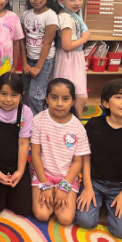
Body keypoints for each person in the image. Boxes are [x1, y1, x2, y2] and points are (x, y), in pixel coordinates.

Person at [75, 79, 122, 239]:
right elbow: (85, 157)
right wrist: (87, 187)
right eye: (119, 97)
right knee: (85, 221)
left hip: (121, 186)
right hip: (93, 182)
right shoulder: (93, 124)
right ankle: (100, 202)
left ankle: (106, 203)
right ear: (105, 103)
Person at [30, 78, 89, 226]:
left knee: (66, 219)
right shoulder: (38, 120)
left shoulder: (78, 128)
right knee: (42, 215)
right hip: (43, 175)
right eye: (54, 97)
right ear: (47, 98)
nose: (60, 103)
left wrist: (64, 186)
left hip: (67, 178)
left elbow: (77, 162)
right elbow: (35, 155)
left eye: (66, 98)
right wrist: (45, 185)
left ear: (73, 101)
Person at [0, 72, 33, 216]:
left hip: (17, 165)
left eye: (14, 95)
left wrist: (20, 172)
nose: (8, 99)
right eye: (3, 94)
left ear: (21, 96)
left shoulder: (25, 112)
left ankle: (10, 190)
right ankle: (2, 191)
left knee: (24, 209)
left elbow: (23, 144)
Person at [19, 0, 59, 115]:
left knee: (36, 96)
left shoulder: (51, 16)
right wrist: (24, 63)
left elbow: (47, 43)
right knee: (26, 93)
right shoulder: (25, 15)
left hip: (44, 61)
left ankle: (38, 124)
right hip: (29, 60)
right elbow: (22, 41)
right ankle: (27, 121)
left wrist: (38, 67)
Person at [51, 0, 91, 116]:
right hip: (68, 60)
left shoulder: (73, 16)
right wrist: (85, 38)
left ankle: (72, 123)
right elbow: (67, 45)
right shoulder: (65, 18)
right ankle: (74, 124)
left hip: (74, 59)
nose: (77, 2)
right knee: (77, 97)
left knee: (75, 97)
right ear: (61, 0)